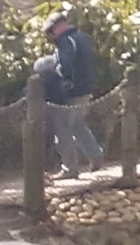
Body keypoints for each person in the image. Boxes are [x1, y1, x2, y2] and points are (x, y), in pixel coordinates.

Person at [37, 11, 106, 174]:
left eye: (51, 30)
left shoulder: (67, 41)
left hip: (73, 91)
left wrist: (55, 77)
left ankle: (70, 168)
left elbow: (65, 66)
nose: (50, 34)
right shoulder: (79, 37)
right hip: (85, 89)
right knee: (77, 124)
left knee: (62, 128)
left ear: (59, 26)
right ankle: (96, 156)